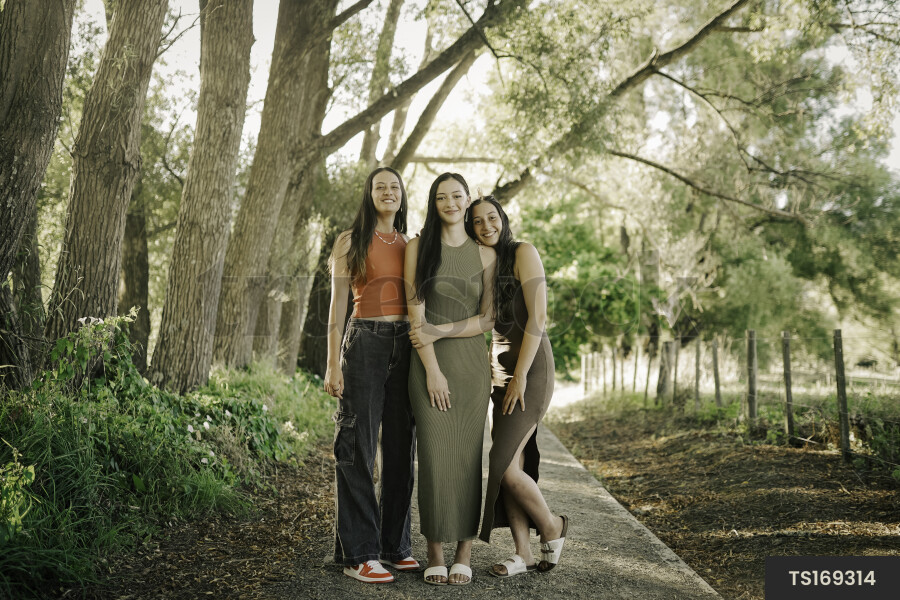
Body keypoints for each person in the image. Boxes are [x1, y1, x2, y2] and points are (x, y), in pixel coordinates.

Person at [410, 195, 567, 578]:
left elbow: (538, 317)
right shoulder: (482, 258)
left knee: (503, 467)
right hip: (497, 371)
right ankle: (523, 553)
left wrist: (521, 376)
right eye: (477, 221)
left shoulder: (522, 252)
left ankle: (552, 526)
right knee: (512, 462)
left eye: (492, 217)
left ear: (503, 218)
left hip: (530, 370)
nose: (486, 226)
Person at [324, 167, 419, 584]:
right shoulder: (350, 240)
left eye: (394, 187)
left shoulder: (410, 244)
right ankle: (359, 554)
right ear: (369, 194)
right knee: (357, 445)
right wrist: (332, 364)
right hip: (365, 342)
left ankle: (394, 546)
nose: (388, 192)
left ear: (402, 195)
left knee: (401, 448)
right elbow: (338, 305)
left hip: (406, 344)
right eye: (380, 186)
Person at [404, 173, 496, 586]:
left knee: (467, 458)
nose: (450, 203)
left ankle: (464, 553)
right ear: (433, 203)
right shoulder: (418, 247)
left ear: (467, 200)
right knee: (435, 459)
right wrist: (433, 371)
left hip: (472, 369)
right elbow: (416, 315)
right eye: (441, 197)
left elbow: (487, 319)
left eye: (457, 196)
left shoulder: (486, 255)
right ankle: (435, 553)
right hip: (429, 368)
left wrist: (439, 331)